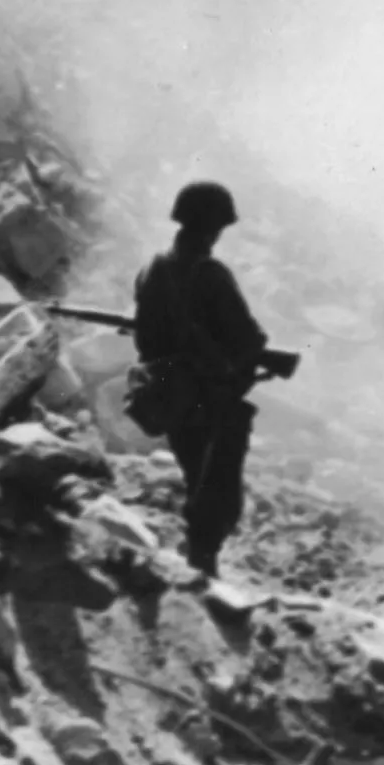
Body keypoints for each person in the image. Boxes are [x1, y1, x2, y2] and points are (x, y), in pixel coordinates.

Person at [133, 182, 269, 576]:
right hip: (206, 395)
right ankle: (201, 563)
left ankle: (197, 555)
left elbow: (146, 333)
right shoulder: (211, 275)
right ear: (214, 228)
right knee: (219, 487)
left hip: (165, 390)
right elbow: (249, 338)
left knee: (197, 473)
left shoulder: (153, 267)